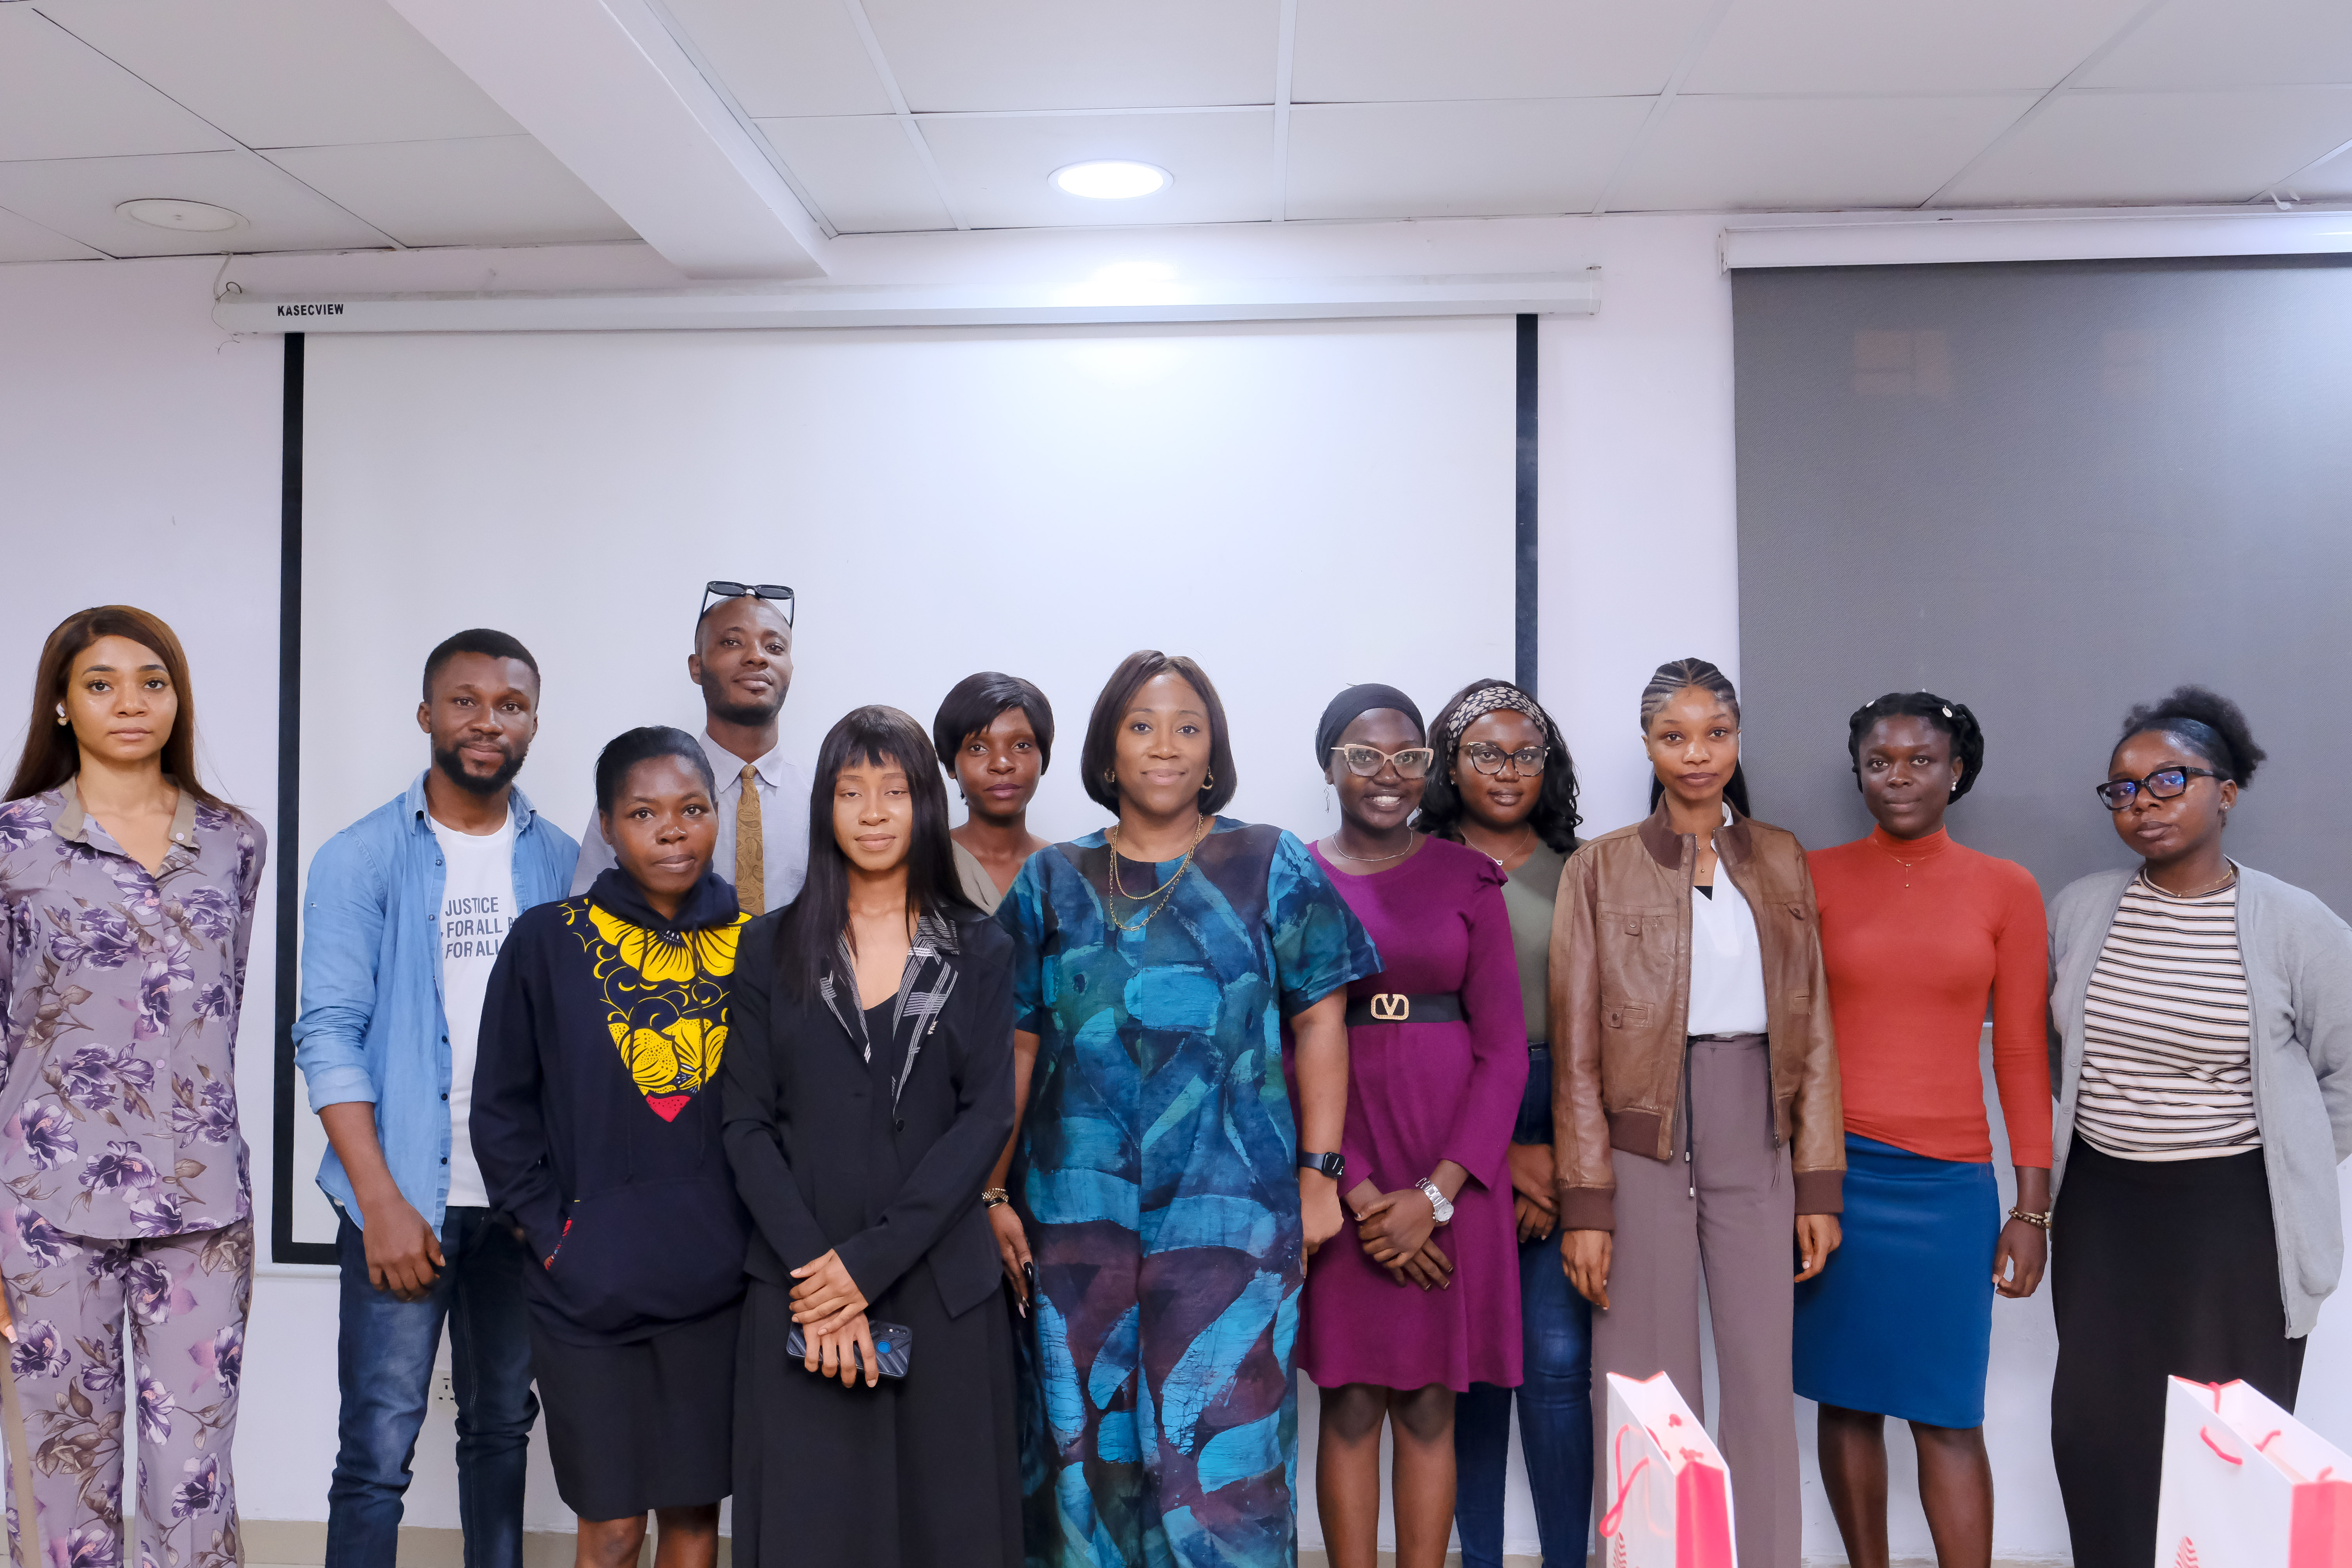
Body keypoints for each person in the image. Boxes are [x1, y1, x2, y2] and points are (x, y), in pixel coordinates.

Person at [983, 650, 1379, 1568]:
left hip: (1233, 1233)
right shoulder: (1051, 880)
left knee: (1223, 1471)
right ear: (1107, 751)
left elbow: (1321, 1020)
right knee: (1082, 1460)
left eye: (1186, 728)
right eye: (1141, 726)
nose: (1164, 745)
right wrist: (991, 1191)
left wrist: (1320, 1176)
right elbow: (1017, 1045)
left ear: (1211, 754)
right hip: (1072, 1230)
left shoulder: (1268, 861)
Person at [2048, 687, 2352, 1568]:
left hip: (2234, 1214)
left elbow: (2345, 1070)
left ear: (2225, 792)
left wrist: (2289, 1158)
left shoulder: (2294, 923)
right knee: (2099, 1430)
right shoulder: (2079, 908)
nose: (2141, 803)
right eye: (2122, 789)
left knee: (2227, 1431)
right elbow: (2056, 1048)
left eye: (2168, 780)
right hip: (2102, 1206)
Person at [295, 629, 579, 1568]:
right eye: (465, 701)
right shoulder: (360, 856)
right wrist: (380, 1202)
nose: (487, 721)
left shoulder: (567, 864)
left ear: (533, 722)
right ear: (427, 714)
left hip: (520, 1203)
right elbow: (327, 1034)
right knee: (376, 1451)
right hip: (402, 1193)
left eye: (510, 705)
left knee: (501, 1427)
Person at [1552, 657, 1842, 1568]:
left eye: (1715, 733)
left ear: (1736, 740)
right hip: (1640, 1133)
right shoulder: (1599, 867)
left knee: (1760, 1377)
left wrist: (1816, 1182)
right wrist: (1586, 1202)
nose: (1695, 753)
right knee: (1645, 1380)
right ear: (1646, 744)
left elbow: (1813, 1026)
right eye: (1672, 736)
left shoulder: (1781, 856)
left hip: (1755, 1125)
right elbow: (1575, 1049)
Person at [724, 705, 1020, 1568]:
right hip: (801, 1285)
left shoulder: (979, 948)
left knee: (948, 1533)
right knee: (812, 1533)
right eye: (850, 791)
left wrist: (865, 1266)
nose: (874, 811)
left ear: (926, 802)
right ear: (825, 807)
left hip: (940, 1286)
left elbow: (986, 1118)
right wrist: (822, 1275)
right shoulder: (769, 947)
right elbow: (744, 1123)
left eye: (894, 789)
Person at [0, 606, 265, 1568]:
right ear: (61, 706)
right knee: (60, 1471)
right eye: (101, 684)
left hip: (202, 1204)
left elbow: (221, 1007)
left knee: (193, 1478)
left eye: (153, 682)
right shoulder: (13, 843)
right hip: (45, 1208)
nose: (130, 702)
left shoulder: (234, 841)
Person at [472, 727, 753, 1568]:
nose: (672, 831)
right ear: (606, 824)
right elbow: (502, 1109)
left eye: (692, 809)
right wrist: (555, 1239)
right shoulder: (547, 940)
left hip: (717, 1289)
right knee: (613, 1526)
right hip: (586, 1291)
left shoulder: (759, 945)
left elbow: (781, 1115)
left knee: (694, 1524)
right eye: (643, 813)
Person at [1798, 692, 2050, 1568]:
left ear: (1956, 771)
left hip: (1947, 1187)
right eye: (1879, 762)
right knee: (1845, 1399)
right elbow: (1787, 1036)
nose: (1897, 778)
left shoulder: (2006, 887)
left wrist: (2030, 1209)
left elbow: (2020, 1052)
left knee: (1948, 1414)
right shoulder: (1810, 876)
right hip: (1833, 1179)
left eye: (1920, 761)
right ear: (1858, 773)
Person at [1297, 685, 1526, 1568]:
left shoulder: (1468, 877)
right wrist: (1358, 1196)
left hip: (1452, 1170)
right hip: (1338, 1173)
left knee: (1432, 1404)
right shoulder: (1293, 877)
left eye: (1406, 758)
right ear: (1329, 766)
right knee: (1350, 1402)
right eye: (1363, 756)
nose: (1385, 775)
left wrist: (1433, 1197)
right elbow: (1281, 1045)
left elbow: (1503, 1054)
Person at [1415, 679, 1590, 1568]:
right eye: (1485, 751)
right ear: (1449, 765)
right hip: (1453, 1113)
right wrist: (1498, 1153)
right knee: (1473, 1366)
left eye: (1527, 753)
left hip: (1568, 1106)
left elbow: (1615, 1027)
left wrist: (1557, 1154)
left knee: (1556, 1363)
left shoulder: (1584, 870)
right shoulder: (1417, 865)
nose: (1508, 769)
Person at [573, 582, 808, 915]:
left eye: (774, 647)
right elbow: (586, 920)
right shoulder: (635, 792)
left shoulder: (827, 796)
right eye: (731, 642)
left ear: (791, 671)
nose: (757, 656)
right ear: (696, 667)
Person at [930, 672, 1054, 914]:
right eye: (978, 748)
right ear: (950, 764)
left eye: (1022, 745)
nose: (1002, 764)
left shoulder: (1068, 870)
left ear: (1044, 758)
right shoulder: (922, 865)